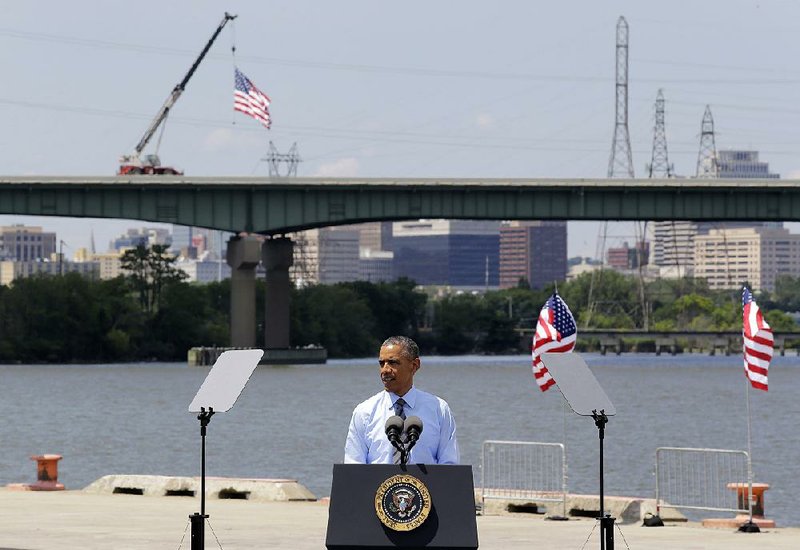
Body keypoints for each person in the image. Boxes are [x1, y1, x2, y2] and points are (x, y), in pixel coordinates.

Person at [344, 336, 459, 464]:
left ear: (414, 365)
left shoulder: (439, 409)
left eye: (393, 363)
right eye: (382, 363)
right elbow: (353, 467)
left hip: (428, 484)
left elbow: (449, 465)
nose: (385, 370)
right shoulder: (364, 412)